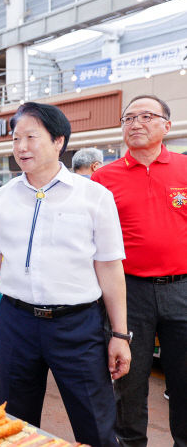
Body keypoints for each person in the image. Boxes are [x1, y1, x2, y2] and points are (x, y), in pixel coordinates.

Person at [0, 102, 130, 447]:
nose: (21, 147)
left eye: (31, 137)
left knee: (96, 424)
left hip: (79, 326)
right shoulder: (0, 199)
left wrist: (119, 333)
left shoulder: (94, 197)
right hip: (16, 323)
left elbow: (110, 267)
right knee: (12, 423)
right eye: (15, 139)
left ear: (59, 141)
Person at [91, 95, 187, 447]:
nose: (135, 123)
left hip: (182, 289)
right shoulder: (103, 178)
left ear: (167, 125)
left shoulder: (185, 168)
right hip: (128, 292)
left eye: (146, 116)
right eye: (128, 117)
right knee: (128, 382)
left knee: (184, 380)